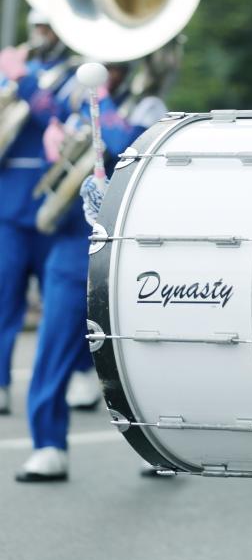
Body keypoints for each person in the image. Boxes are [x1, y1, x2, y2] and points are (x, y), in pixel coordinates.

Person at [15, 55, 169, 482]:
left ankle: (156, 444)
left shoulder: (146, 106)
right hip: (71, 243)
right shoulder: (69, 97)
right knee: (53, 346)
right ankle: (47, 445)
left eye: (118, 63)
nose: (110, 70)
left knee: (141, 352)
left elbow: (135, 145)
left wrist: (99, 109)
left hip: (129, 245)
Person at [0, 10, 74, 416]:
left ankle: (80, 369)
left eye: (47, 28)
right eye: (37, 28)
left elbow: (56, 114)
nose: (40, 35)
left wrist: (23, 80)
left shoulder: (73, 74)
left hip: (50, 199)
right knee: (3, 298)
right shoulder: (16, 70)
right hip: (8, 200)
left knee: (60, 300)